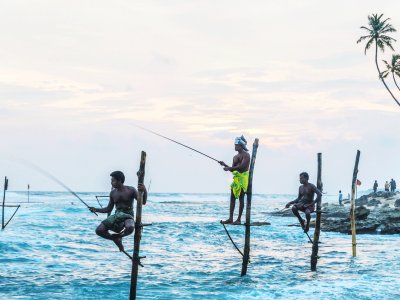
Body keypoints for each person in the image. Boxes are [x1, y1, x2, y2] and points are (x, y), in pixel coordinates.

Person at [89, 171, 147, 252]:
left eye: (113, 181)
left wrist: (145, 190)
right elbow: (108, 209)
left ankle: (119, 236)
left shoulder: (131, 190)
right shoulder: (113, 193)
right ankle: (115, 238)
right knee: (99, 230)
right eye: (111, 181)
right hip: (117, 214)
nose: (111, 183)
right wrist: (96, 209)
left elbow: (143, 202)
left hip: (128, 214)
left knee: (130, 227)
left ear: (120, 180)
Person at [219, 135, 250, 225]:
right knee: (232, 198)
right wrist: (225, 165)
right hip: (236, 179)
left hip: (243, 179)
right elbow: (233, 168)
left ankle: (239, 219)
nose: (235, 146)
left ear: (241, 145)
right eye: (235, 145)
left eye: (236, 145)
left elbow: (241, 167)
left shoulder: (246, 155)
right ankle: (231, 218)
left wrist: (228, 168)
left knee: (241, 198)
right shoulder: (235, 157)